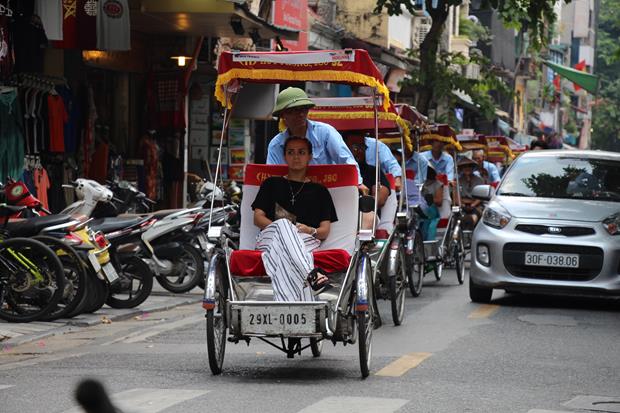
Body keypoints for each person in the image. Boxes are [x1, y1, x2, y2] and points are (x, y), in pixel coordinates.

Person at [252, 136, 338, 301]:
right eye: (291, 152)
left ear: (310, 156)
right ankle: (311, 274)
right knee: (284, 224)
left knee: (285, 255)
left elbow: (324, 231)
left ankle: (287, 309)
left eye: (301, 152)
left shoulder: (320, 191)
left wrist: (309, 230)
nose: (296, 157)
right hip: (270, 237)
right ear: (284, 156)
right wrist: (283, 228)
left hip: (305, 239)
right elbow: (258, 219)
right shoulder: (271, 184)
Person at [266, 87, 365, 190]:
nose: (300, 114)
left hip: (326, 193)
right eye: (294, 110)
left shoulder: (326, 132)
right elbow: (272, 175)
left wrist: (358, 183)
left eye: (304, 109)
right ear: (283, 114)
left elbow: (347, 161)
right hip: (290, 196)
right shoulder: (275, 145)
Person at [343, 132, 391, 229]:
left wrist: (366, 199)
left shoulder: (373, 171)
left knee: (367, 216)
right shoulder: (337, 171)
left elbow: (380, 199)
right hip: (340, 214)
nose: (360, 151)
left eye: (363, 147)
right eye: (356, 147)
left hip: (365, 213)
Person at [457, 157, 484, 229]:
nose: (467, 168)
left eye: (469, 166)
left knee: (473, 218)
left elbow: (481, 197)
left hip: (476, 205)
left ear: (472, 168)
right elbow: (456, 197)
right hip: (462, 205)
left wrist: (473, 204)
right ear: (461, 168)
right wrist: (462, 204)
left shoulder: (479, 180)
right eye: (465, 166)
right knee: (460, 218)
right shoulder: (458, 181)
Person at [420, 163, 445, 241]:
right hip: (421, 211)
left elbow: (439, 201)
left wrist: (428, 199)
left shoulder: (437, 184)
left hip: (433, 212)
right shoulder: (420, 183)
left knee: (430, 226)